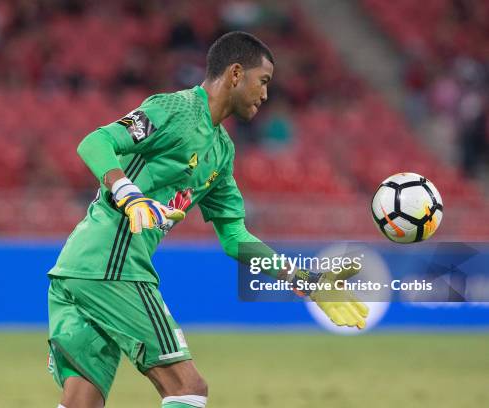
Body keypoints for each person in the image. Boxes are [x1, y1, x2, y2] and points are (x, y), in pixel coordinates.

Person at [47, 31, 368, 408]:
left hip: (77, 270)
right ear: (235, 74)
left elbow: (234, 237)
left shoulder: (222, 151)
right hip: (112, 267)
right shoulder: (176, 110)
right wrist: (129, 194)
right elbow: (95, 142)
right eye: (262, 81)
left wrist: (303, 280)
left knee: (82, 403)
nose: (265, 95)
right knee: (188, 388)